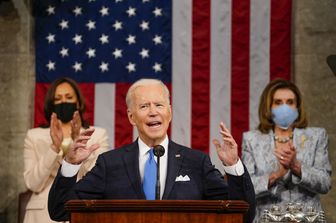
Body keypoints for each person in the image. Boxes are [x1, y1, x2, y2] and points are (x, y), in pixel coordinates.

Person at [48, 78, 256, 222]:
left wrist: (233, 167)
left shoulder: (196, 163)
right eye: (144, 106)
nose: (153, 112)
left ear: (170, 112)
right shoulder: (110, 164)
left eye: (159, 105)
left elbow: (243, 215)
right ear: (131, 117)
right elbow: (59, 210)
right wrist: (71, 165)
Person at [241, 79, 331, 222]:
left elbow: (325, 183)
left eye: (290, 102)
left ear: (298, 106)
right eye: (278, 102)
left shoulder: (316, 136)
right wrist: (276, 175)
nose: (285, 107)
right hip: (267, 219)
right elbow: (246, 188)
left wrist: (297, 167)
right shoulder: (252, 139)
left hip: (308, 219)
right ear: (268, 107)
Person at [23, 77, 109, 223]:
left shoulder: (97, 134)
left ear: (78, 102)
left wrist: (79, 143)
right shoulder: (34, 135)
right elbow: (32, 183)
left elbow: (98, 180)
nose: (64, 102)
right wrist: (53, 148)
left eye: (69, 97)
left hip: (83, 210)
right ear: (51, 104)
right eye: (58, 99)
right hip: (41, 215)